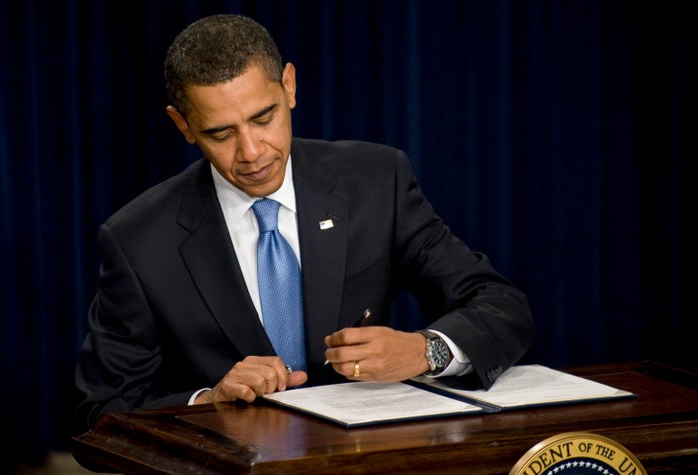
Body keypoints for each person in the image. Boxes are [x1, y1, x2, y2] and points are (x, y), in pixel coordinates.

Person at [72, 13, 535, 434]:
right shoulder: (138, 239)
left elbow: (502, 306)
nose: (251, 152)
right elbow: (100, 414)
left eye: (264, 117)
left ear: (289, 86)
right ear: (183, 125)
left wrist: (425, 351)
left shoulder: (375, 182)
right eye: (220, 133)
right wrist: (206, 402)